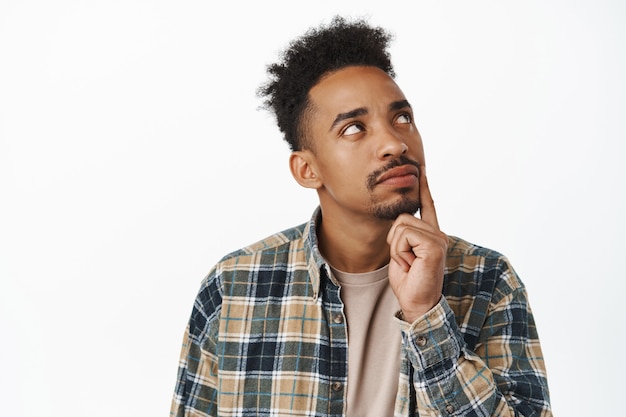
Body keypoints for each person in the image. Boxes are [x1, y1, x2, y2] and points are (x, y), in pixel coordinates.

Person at [170, 16, 551, 417]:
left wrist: (427, 314)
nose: (394, 143)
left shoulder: (488, 281)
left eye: (402, 118)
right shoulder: (234, 287)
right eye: (354, 128)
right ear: (307, 169)